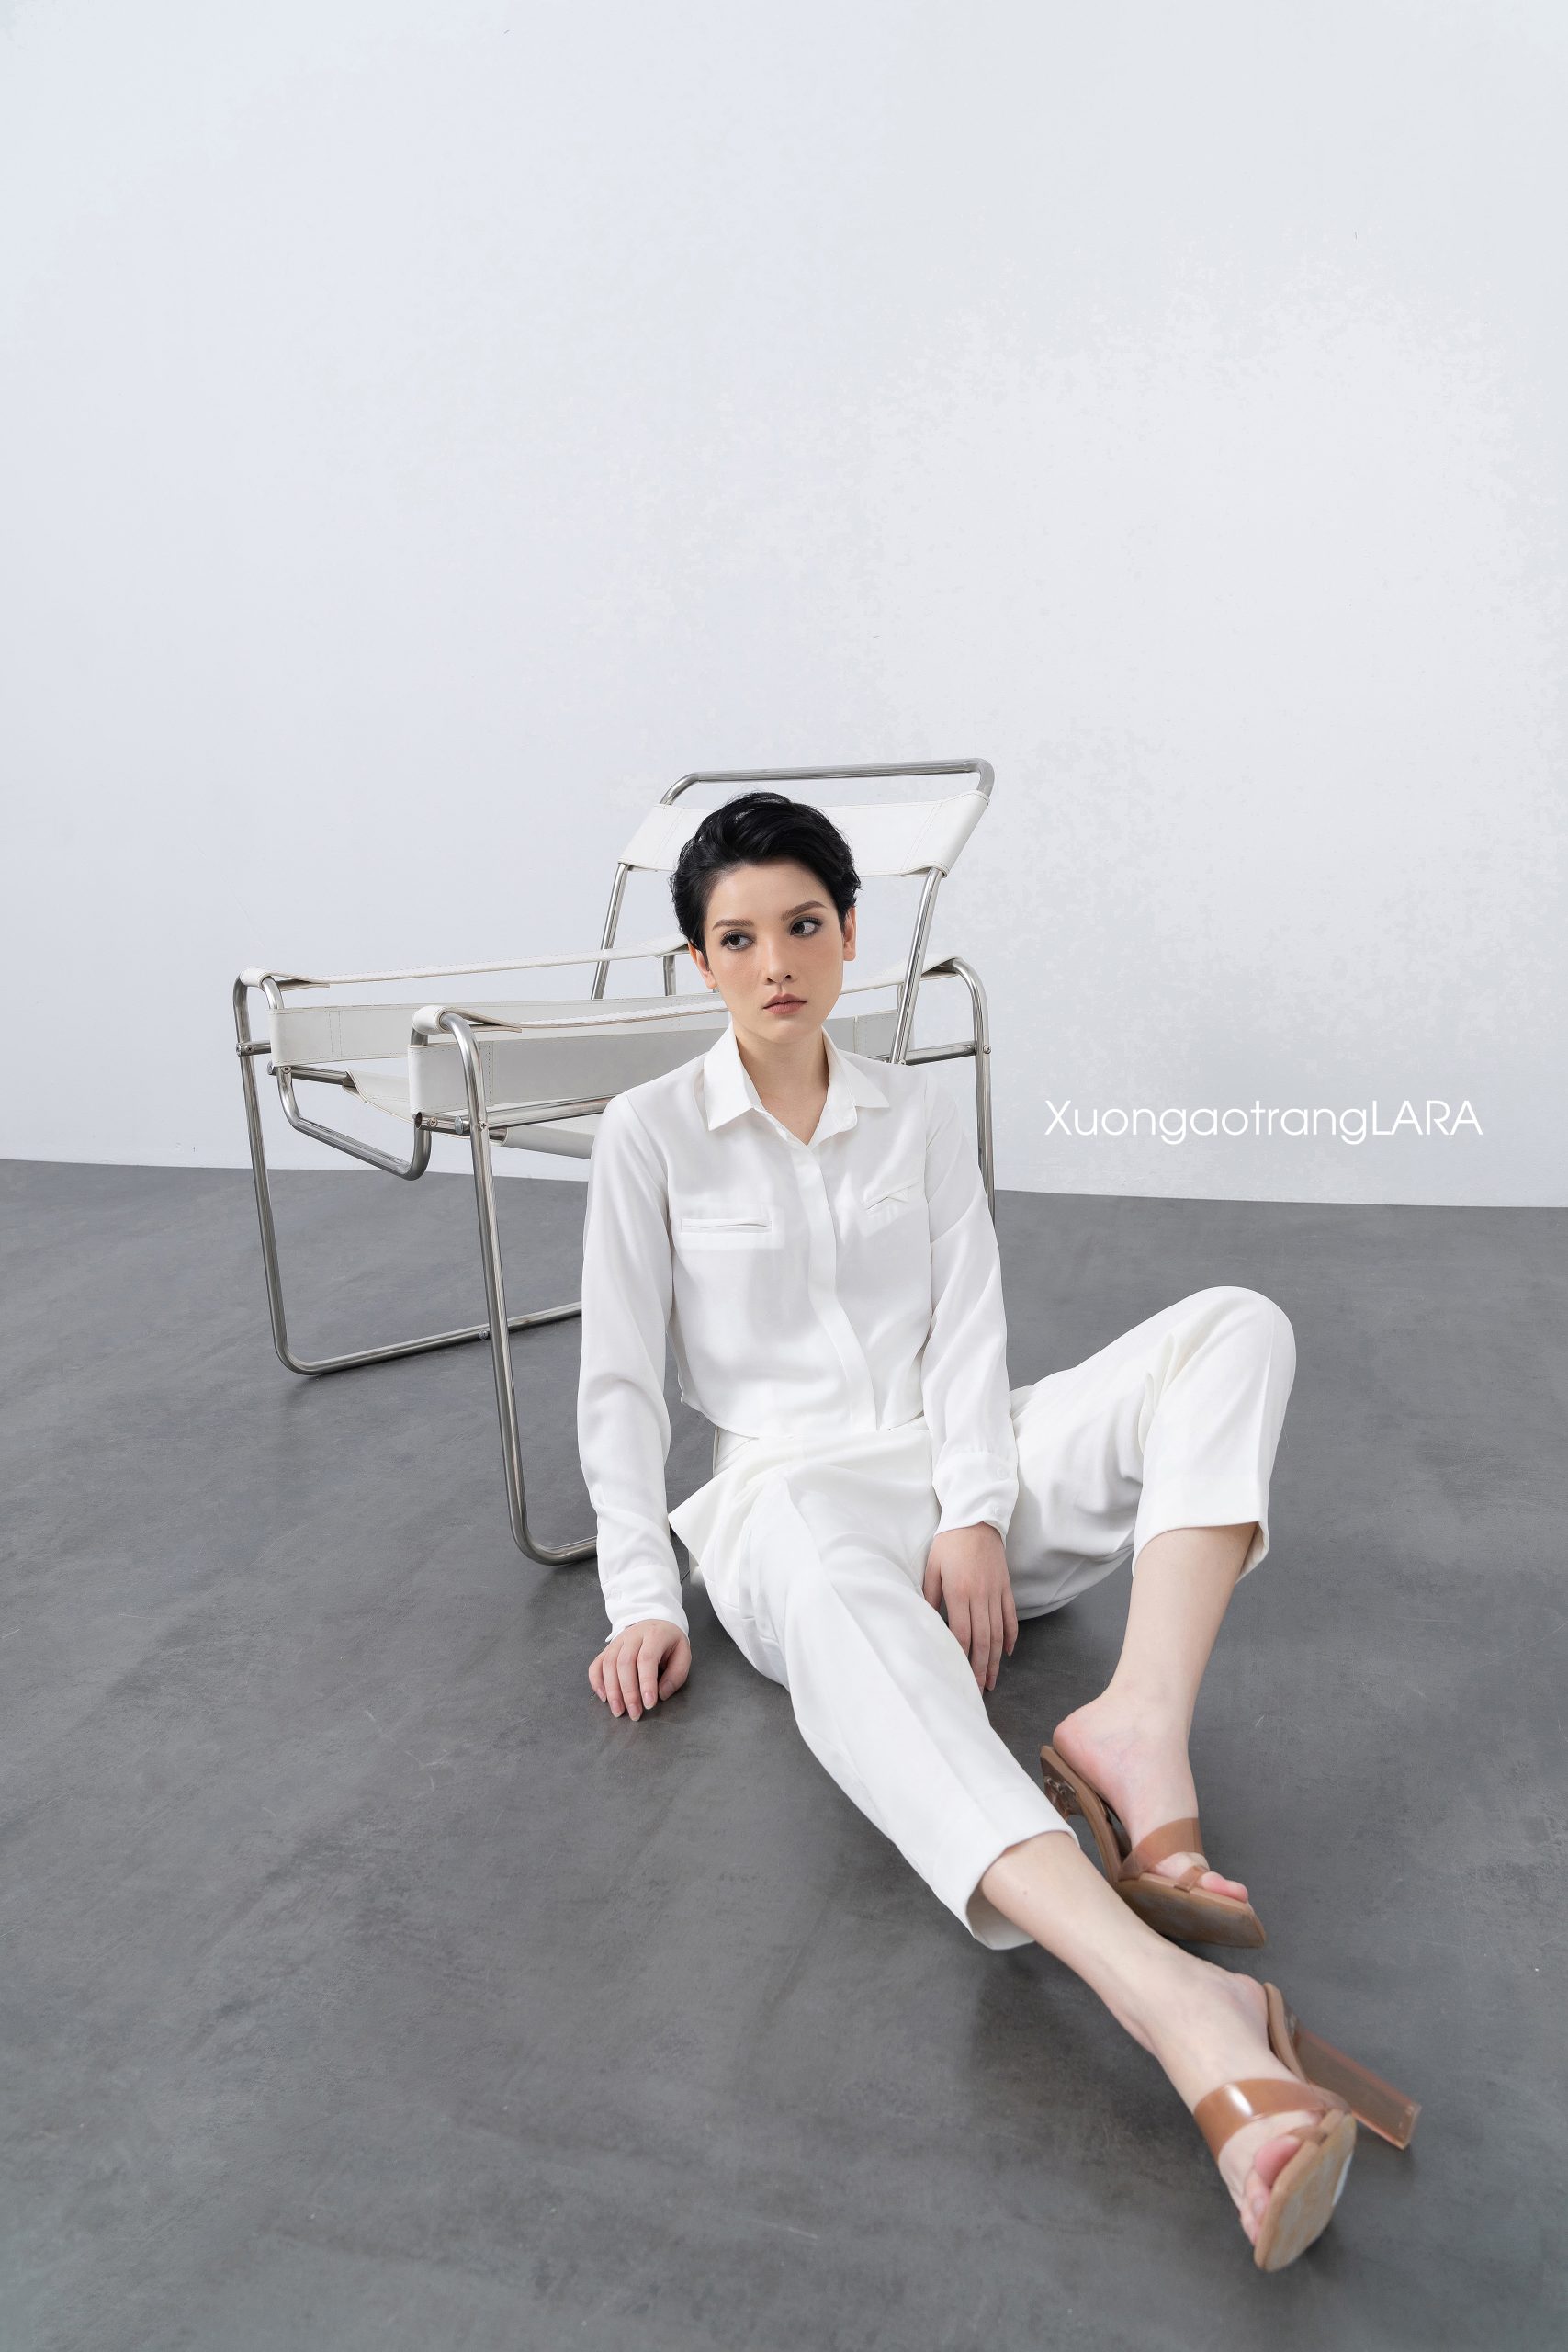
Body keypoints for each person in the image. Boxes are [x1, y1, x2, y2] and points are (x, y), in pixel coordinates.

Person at [575, 791, 1416, 2273]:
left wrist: (974, 1509)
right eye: (737, 939)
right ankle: (1180, 2011)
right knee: (847, 1620)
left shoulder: (916, 1111)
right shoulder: (646, 1136)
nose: (776, 962)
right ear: (699, 964)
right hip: (789, 1500)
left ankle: (1136, 1728)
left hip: (961, 1461)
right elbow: (621, 1387)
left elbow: (970, 1335)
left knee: (1234, 1327)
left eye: (804, 925)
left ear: (850, 932)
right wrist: (641, 1593)